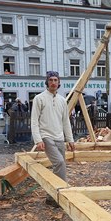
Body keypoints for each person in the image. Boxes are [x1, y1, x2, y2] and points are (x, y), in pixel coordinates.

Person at [31, 71, 75, 208]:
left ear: (59, 82)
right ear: (47, 82)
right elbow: (34, 120)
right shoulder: (39, 98)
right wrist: (38, 140)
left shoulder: (62, 100)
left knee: (59, 165)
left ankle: (51, 197)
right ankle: (63, 192)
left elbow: (65, 121)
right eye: (51, 80)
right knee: (60, 162)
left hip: (59, 137)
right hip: (46, 137)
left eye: (56, 80)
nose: (53, 82)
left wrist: (70, 139)